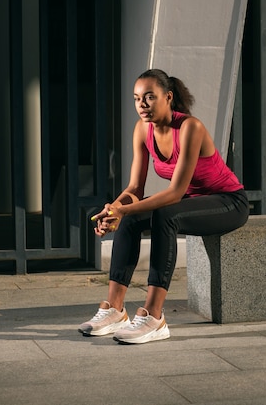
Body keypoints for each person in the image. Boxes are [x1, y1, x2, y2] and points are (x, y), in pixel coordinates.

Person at [79, 69, 249, 344]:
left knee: (165, 214)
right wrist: (114, 210)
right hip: (190, 202)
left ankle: (154, 317)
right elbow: (135, 189)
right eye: (136, 99)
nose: (142, 104)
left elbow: (175, 193)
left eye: (149, 97)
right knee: (132, 219)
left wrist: (125, 210)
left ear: (168, 97)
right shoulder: (142, 130)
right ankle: (115, 310)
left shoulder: (190, 127)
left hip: (228, 202)